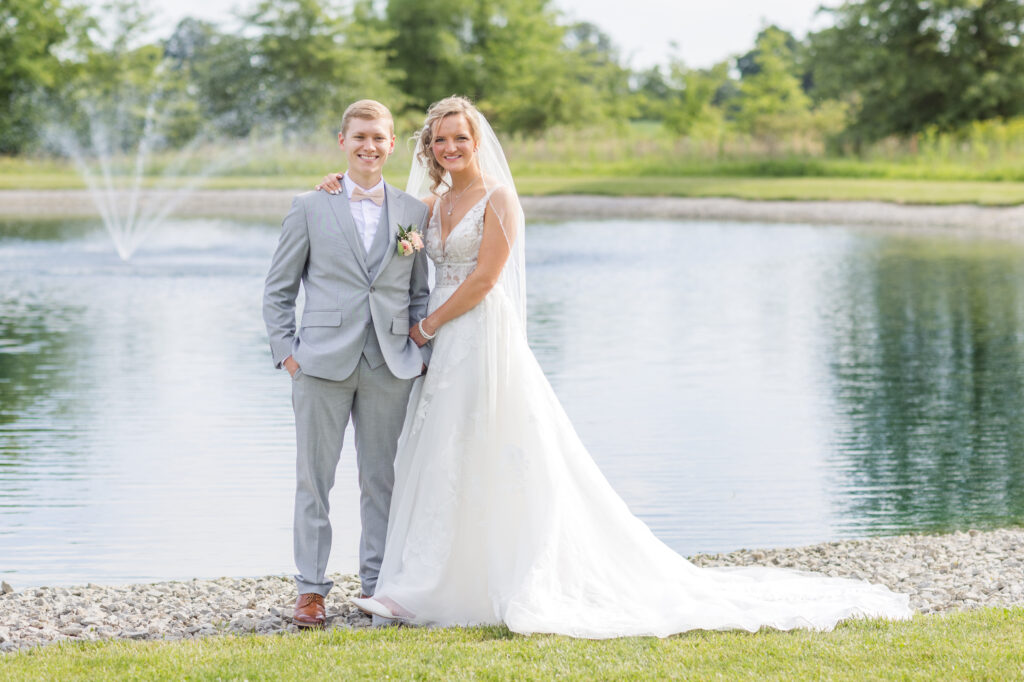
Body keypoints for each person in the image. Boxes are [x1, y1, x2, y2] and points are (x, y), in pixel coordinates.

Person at [325, 95, 912, 637]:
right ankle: (423, 582)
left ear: (477, 142)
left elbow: (483, 279)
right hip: (442, 348)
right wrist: (336, 188)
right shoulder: (431, 203)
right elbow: (377, 213)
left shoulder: (498, 199)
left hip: (479, 335)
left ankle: (489, 580)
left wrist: (425, 327)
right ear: (428, 150)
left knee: (485, 444)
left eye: (460, 138)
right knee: (439, 452)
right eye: (440, 141)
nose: (450, 148)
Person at [262, 99, 431, 628]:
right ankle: (310, 591)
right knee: (314, 480)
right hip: (318, 366)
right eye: (359, 136)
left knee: (382, 481)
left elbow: (420, 295)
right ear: (343, 142)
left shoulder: (413, 213)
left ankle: (378, 588)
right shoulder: (310, 206)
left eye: (379, 137)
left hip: (389, 365)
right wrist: (288, 356)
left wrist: (418, 355)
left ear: (392, 144)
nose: (369, 146)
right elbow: (278, 291)